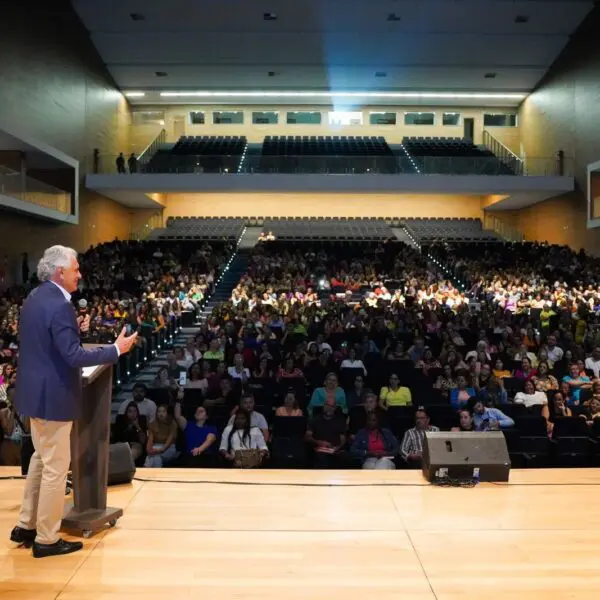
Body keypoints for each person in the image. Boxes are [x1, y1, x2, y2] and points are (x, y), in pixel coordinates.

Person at [11, 245, 137, 558]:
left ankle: (26, 524)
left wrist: (73, 330)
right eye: (76, 269)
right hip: (53, 396)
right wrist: (116, 349)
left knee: (41, 459)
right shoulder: (59, 306)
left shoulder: (35, 298)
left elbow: (47, 342)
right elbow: (73, 355)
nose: (80, 274)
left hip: (32, 393)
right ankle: (47, 539)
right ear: (60, 272)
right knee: (56, 468)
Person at [305, 400, 347, 468]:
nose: (329, 408)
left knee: (344, 456)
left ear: (335, 408)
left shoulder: (340, 421)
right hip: (319, 449)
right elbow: (307, 437)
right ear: (323, 406)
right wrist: (319, 442)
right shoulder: (314, 420)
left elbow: (343, 439)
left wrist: (337, 448)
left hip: (335, 450)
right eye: (327, 405)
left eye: (332, 406)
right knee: (321, 457)